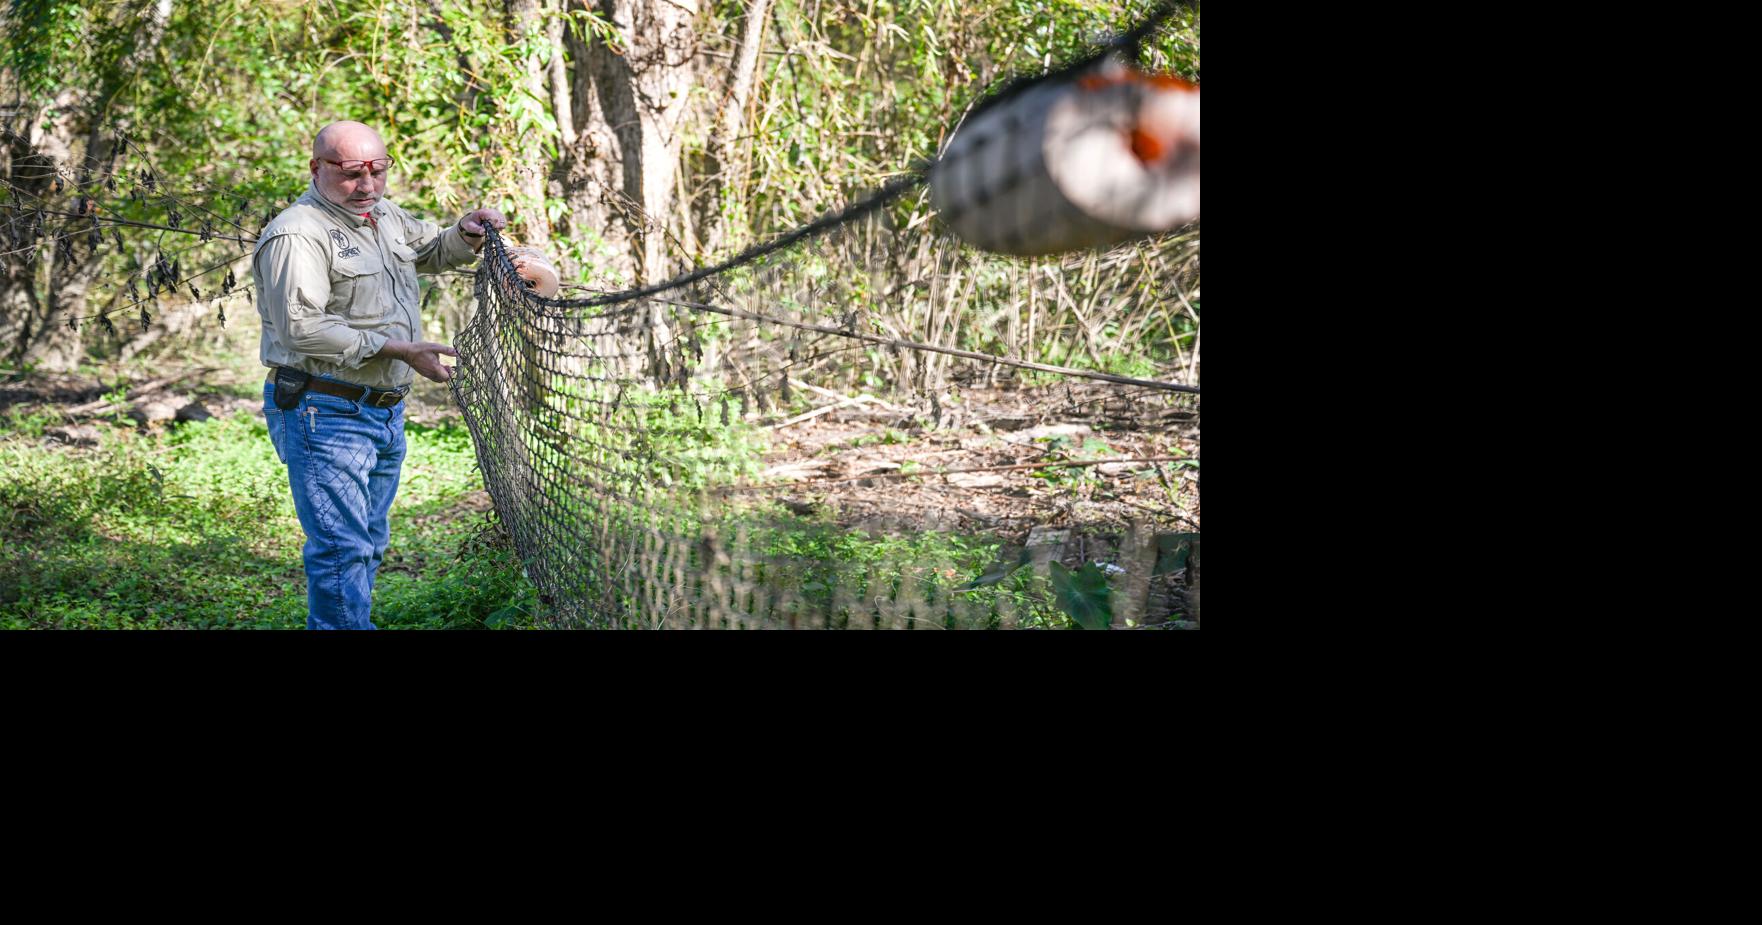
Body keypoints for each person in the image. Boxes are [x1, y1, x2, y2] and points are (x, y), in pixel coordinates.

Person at [254, 120, 511, 630]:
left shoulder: (382, 215)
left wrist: (464, 233)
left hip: (382, 411)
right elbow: (302, 328)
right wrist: (398, 349)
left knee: (366, 543)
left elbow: (429, 250)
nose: (367, 185)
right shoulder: (297, 233)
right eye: (351, 174)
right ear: (316, 168)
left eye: (378, 170)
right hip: (323, 410)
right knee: (340, 550)